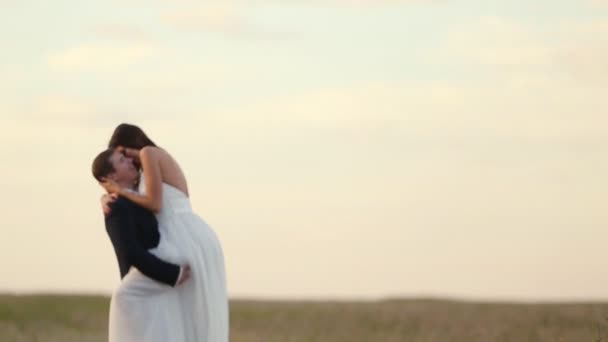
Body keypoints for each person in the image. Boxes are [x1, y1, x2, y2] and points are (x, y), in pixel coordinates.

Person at [100, 123, 230, 342]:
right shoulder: (144, 168)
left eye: (123, 153)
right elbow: (134, 204)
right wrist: (108, 196)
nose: (127, 160)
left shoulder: (148, 153)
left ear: (131, 143)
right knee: (181, 312)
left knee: (127, 294)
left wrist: (119, 191)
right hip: (181, 234)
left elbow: (154, 203)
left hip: (180, 236)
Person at [92, 148, 192, 342]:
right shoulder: (116, 206)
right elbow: (132, 252)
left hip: (158, 293)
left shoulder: (140, 198)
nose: (130, 162)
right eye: (122, 161)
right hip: (141, 295)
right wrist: (173, 273)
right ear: (112, 175)